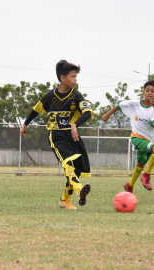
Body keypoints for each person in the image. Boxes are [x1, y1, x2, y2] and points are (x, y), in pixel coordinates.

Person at [20, 60, 94, 210]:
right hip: (57, 136)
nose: (75, 79)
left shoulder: (76, 96)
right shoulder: (50, 97)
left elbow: (88, 112)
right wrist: (25, 124)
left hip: (73, 136)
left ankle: (65, 200)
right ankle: (80, 190)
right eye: (72, 76)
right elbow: (36, 109)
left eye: (76, 76)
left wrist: (74, 124)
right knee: (68, 163)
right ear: (62, 78)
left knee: (77, 170)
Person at [102, 80, 154, 193]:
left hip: (150, 139)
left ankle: (129, 186)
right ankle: (146, 176)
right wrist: (107, 115)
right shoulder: (134, 104)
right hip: (137, 137)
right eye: (147, 90)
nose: (149, 93)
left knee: (141, 162)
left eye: (153, 91)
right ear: (143, 93)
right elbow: (119, 105)